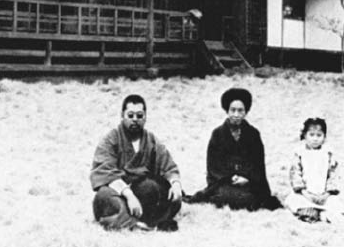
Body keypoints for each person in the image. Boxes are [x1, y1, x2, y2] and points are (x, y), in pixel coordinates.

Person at [90, 94, 183, 231]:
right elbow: (105, 172)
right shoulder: (110, 140)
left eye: (139, 116)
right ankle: (143, 222)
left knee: (161, 191)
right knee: (103, 196)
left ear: (145, 118)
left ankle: (130, 221)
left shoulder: (151, 140)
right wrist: (129, 195)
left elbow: (168, 166)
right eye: (130, 115)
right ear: (122, 116)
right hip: (119, 192)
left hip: (144, 192)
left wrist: (175, 184)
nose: (135, 120)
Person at [186, 88, 280, 211]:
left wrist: (246, 178)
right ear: (227, 111)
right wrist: (231, 177)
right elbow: (213, 165)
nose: (236, 114)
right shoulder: (217, 134)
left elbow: (257, 164)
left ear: (246, 112)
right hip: (224, 182)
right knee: (226, 196)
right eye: (233, 110)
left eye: (240, 110)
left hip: (248, 182)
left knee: (251, 197)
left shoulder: (253, 134)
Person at [284, 117, 344, 224]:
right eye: (311, 135)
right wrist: (305, 192)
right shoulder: (300, 153)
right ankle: (311, 212)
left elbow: (333, 175)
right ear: (305, 135)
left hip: (324, 194)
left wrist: (327, 194)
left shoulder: (328, 154)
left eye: (319, 135)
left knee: (335, 204)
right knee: (294, 201)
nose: (315, 139)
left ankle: (322, 213)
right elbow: (295, 174)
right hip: (305, 193)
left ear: (324, 137)